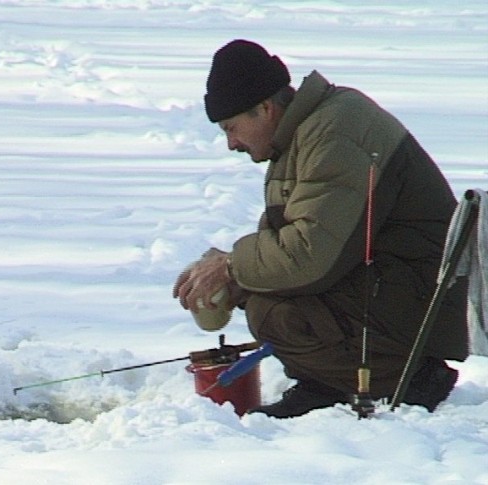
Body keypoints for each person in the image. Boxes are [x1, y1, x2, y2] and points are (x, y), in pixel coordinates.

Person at [172, 39, 468, 418]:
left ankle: (411, 378)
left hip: (419, 298)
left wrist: (231, 266)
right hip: (384, 285)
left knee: (273, 314)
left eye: (232, 128)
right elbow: (288, 243)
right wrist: (232, 280)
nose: (232, 144)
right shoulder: (302, 135)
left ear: (264, 108)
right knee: (262, 294)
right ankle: (327, 382)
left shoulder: (335, 133)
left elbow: (307, 256)